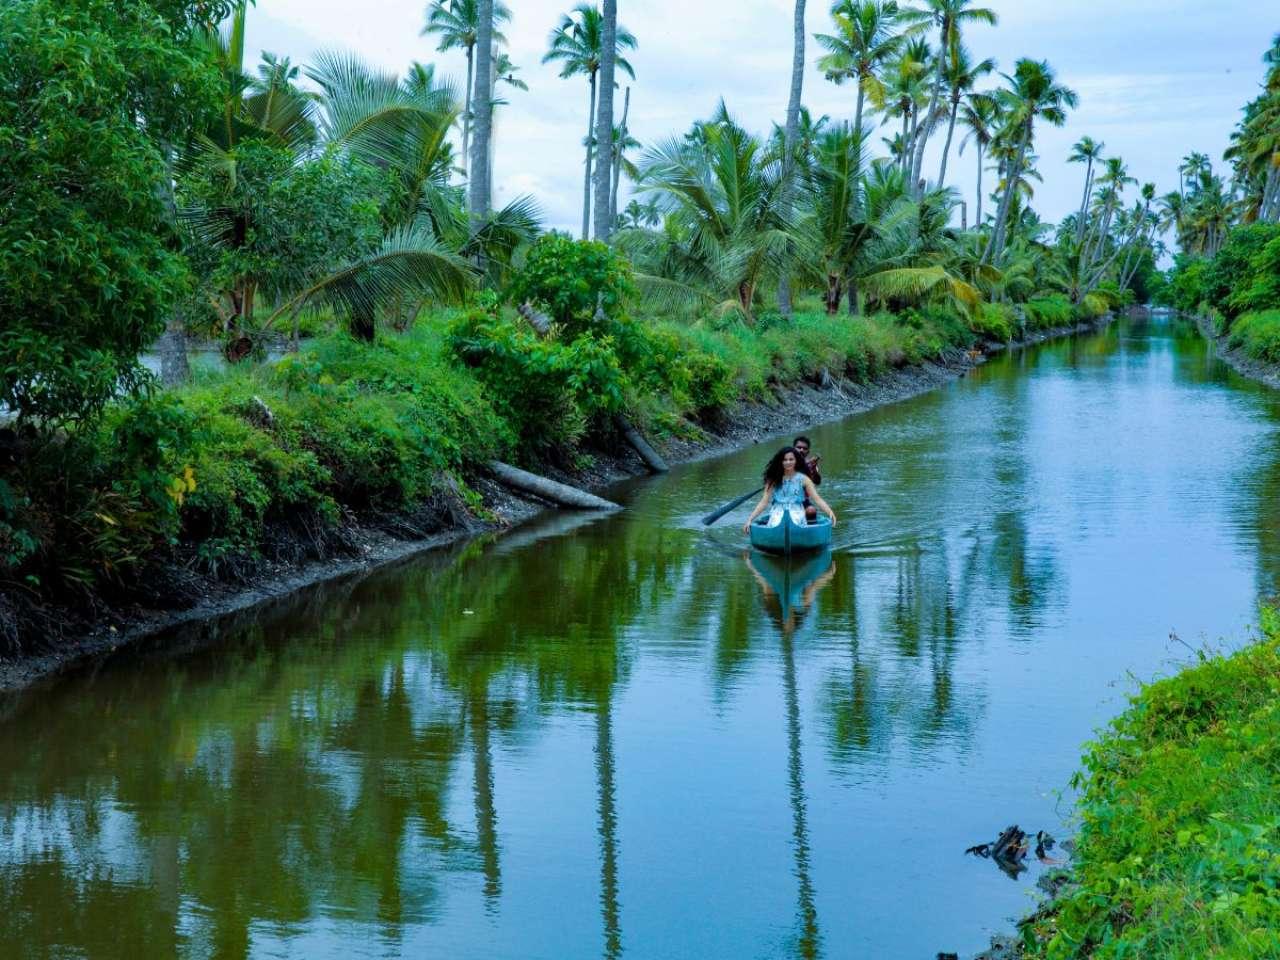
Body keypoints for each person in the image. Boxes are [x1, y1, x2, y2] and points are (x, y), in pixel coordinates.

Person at [742, 446, 836, 533]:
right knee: (776, 521)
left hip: (797, 511)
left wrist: (830, 512)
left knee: (797, 519)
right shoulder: (773, 479)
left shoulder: (804, 479)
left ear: (796, 461)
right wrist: (750, 519)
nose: (788, 462)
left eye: (791, 459)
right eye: (785, 460)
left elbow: (817, 499)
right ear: (780, 462)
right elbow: (764, 502)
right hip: (777, 512)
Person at [793, 436, 822, 522]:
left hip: (803, 500)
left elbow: (817, 481)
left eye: (804, 448)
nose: (801, 450)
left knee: (811, 511)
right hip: (785, 500)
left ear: (808, 451)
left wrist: (813, 470)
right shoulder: (786, 462)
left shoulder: (811, 465)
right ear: (793, 449)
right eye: (799, 447)